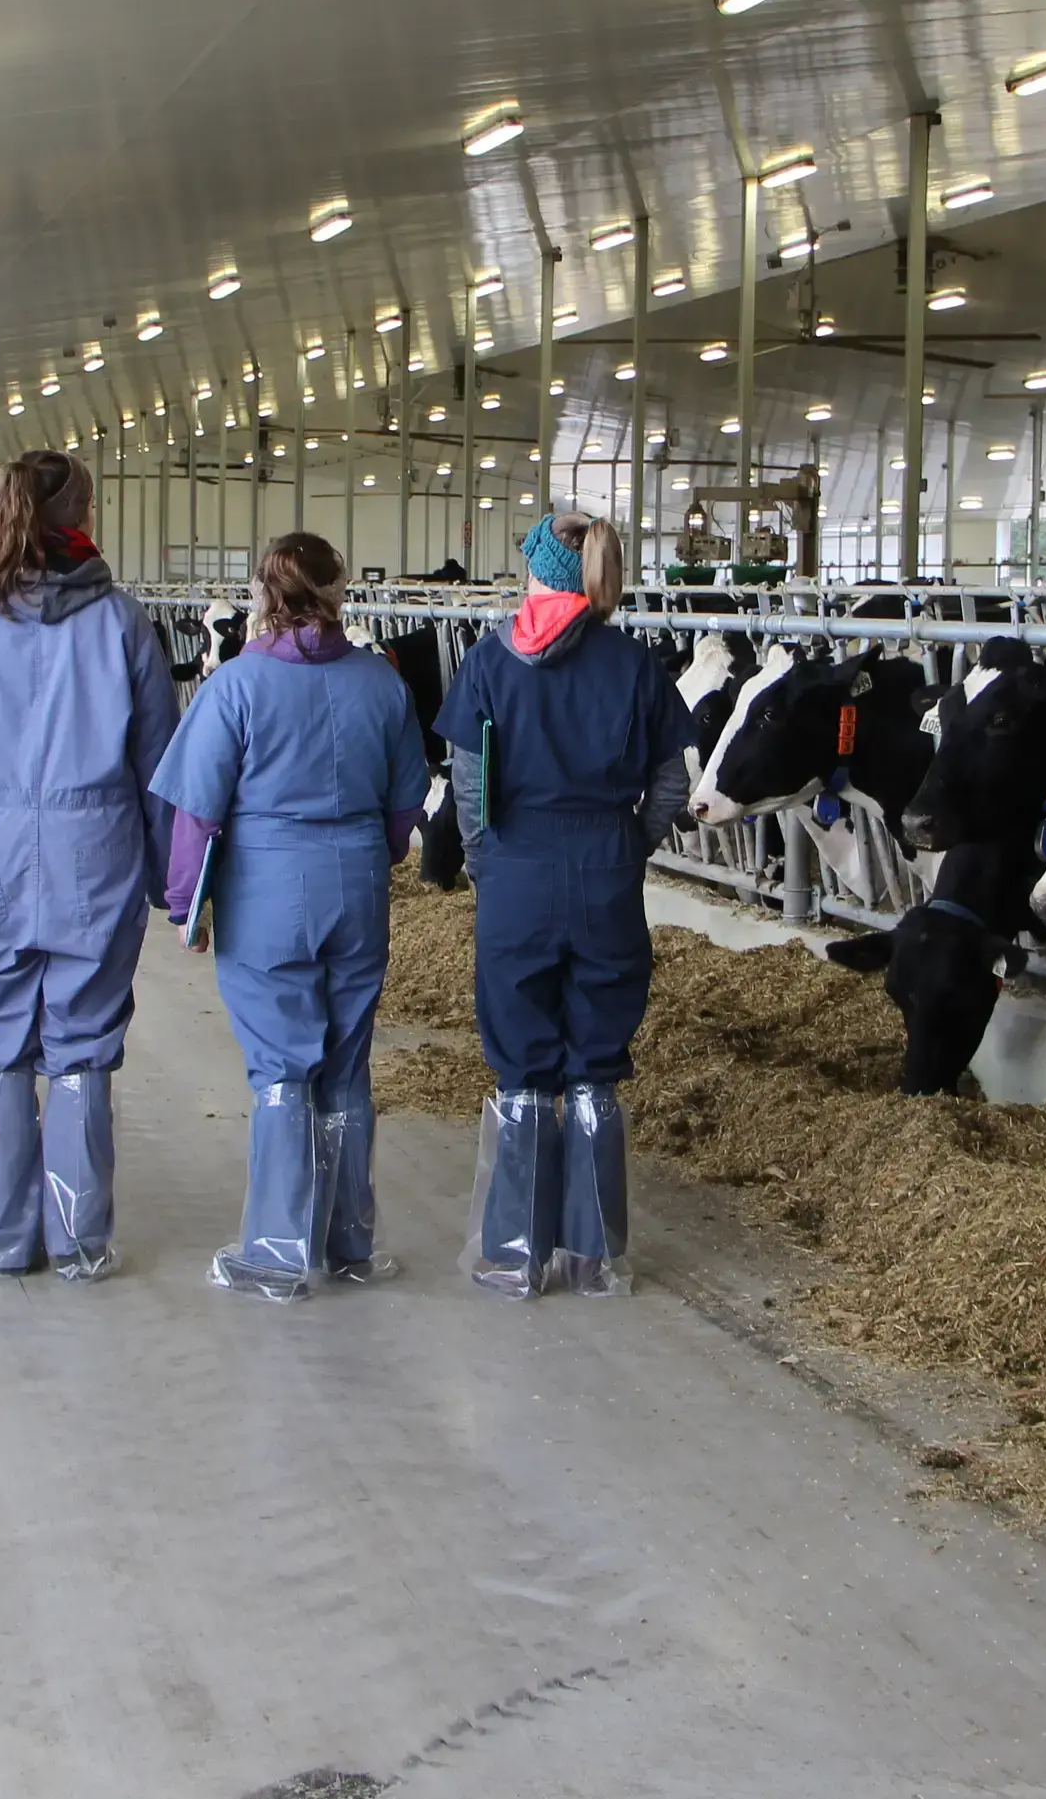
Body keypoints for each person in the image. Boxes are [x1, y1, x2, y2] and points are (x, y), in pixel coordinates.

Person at [0, 450, 175, 1281]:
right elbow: (159, 757)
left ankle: (0, 1238)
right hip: (96, 852)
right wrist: (170, 879)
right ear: (83, 511)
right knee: (83, 1043)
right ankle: (79, 1239)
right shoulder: (121, 620)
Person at [147, 533, 430, 1300]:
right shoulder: (381, 683)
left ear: (263, 593)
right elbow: (409, 805)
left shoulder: (234, 687)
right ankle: (347, 1243)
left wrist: (185, 903)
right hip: (358, 879)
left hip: (267, 885)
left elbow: (196, 812)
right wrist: (380, 849)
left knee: (281, 1065)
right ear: (340, 591)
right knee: (345, 1061)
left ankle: (277, 1250)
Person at [432, 509, 693, 1298]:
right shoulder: (637, 664)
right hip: (606, 866)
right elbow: (672, 784)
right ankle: (596, 1257)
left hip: (517, 867)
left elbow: (469, 784)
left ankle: (514, 1254)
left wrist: (485, 860)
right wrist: (625, 846)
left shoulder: (489, 660)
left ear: (538, 570)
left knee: (521, 1064)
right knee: (595, 1068)